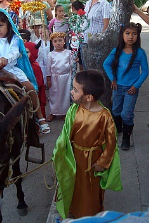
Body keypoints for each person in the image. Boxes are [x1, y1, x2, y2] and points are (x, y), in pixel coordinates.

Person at [52, 70, 122, 220]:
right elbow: (65, 135)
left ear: (89, 97)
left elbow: (111, 144)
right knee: (73, 185)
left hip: (92, 162)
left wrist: (102, 163)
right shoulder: (74, 110)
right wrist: (60, 153)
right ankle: (72, 210)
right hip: (74, 158)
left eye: (75, 90)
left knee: (90, 190)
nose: (71, 92)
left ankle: (90, 215)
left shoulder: (105, 117)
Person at [103, 22, 148, 150]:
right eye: (127, 33)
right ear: (122, 35)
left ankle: (126, 139)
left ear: (137, 36)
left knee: (126, 114)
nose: (130, 37)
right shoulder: (116, 51)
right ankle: (119, 130)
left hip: (131, 89)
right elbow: (106, 64)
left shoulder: (140, 53)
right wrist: (113, 79)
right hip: (117, 88)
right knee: (116, 111)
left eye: (134, 34)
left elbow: (145, 70)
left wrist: (136, 86)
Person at [46, 32, 72, 122]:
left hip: (66, 78)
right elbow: (48, 68)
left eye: (60, 40)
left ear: (64, 41)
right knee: (54, 95)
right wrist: (48, 79)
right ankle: (53, 112)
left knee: (65, 95)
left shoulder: (68, 53)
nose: (58, 43)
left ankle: (65, 112)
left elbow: (71, 66)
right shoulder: (50, 55)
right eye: (55, 41)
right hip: (55, 78)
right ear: (52, 43)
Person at [24, 41, 47, 119]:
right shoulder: (22, 66)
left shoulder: (35, 67)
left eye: (27, 52)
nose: (24, 54)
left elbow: (38, 83)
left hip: (33, 94)